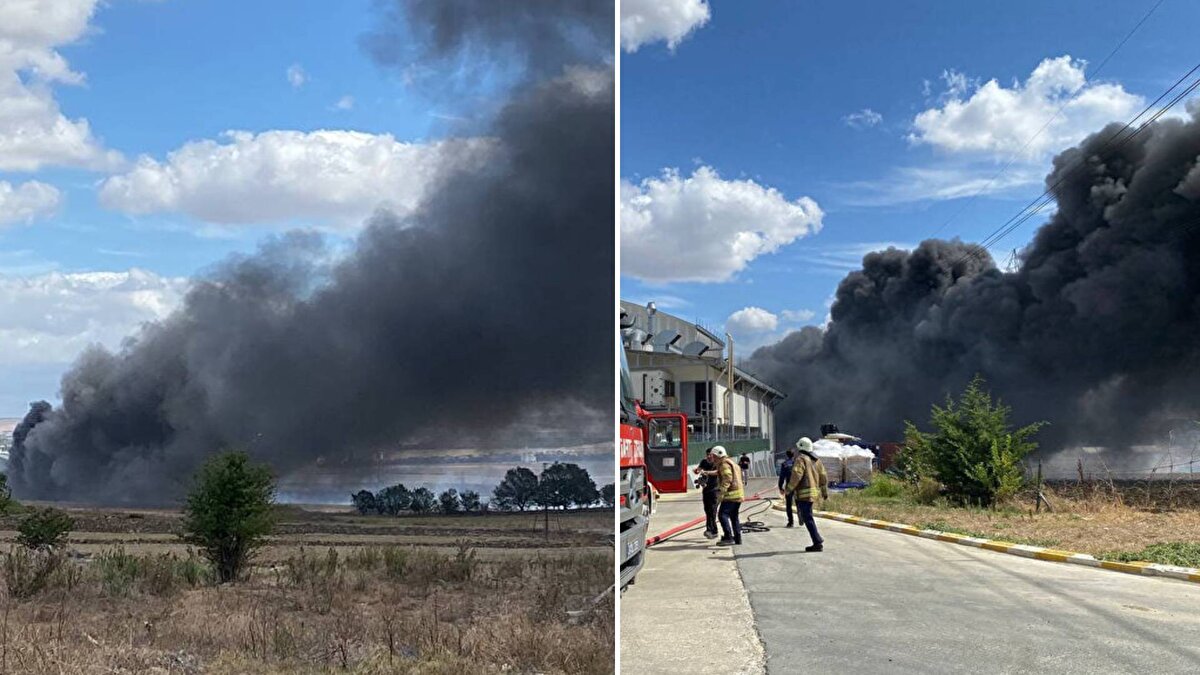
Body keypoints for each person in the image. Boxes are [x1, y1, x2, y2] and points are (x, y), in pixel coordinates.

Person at [786, 437, 828, 552]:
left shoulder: (801, 459)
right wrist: (824, 491)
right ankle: (817, 540)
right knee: (808, 516)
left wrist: (788, 490)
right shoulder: (817, 460)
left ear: (801, 447)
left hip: (804, 494)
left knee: (807, 518)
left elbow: (796, 475)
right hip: (813, 493)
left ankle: (817, 542)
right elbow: (823, 476)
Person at [712, 446, 744, 546]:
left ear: (718, 455)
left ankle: (728, 537)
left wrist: (721, 492)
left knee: (722, 515)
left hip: (731, 495)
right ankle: (738, 538)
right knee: (734, 517)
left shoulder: (724, 464)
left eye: (714, 456)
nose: (713, 458)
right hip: (738, 495)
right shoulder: (731, 462)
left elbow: (727, 478)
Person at [692, 448, 721, 538]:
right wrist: (697, 471)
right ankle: (711, 530)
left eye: (710, 455)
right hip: (706, 489)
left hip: (716, 490)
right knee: (707, 510)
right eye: (707, 454)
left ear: (714, 455)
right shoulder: (704, 462)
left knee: (712, 510)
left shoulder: (718, 463)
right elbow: (698, 470)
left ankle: (712, 530)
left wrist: (707, 472)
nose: (708, 456)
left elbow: (718, 472)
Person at [777, 449, 796, 527]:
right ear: (794, 455)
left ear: (786, 455)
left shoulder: (784, 464)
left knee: (789, 505)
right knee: (800, 502)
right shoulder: (797, 463)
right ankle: (802, 517)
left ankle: (790, 522)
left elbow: (782, 477)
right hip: (798, 486)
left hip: (789, 486)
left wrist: (780, 487)